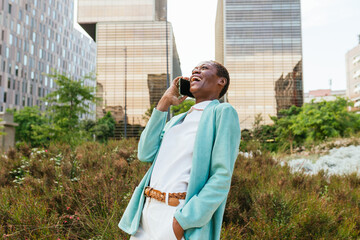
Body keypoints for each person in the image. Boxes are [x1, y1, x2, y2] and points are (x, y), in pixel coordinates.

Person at [119, 61, 241, 240]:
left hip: (177, 216)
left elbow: (221, 175)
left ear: (221, 81)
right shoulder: (176, 121)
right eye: (194, 69)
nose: (196, 70)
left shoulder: (222, 112)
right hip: (147, 214)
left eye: (204, 68)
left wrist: (183, 221)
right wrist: (164, 103)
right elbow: (145, 153)